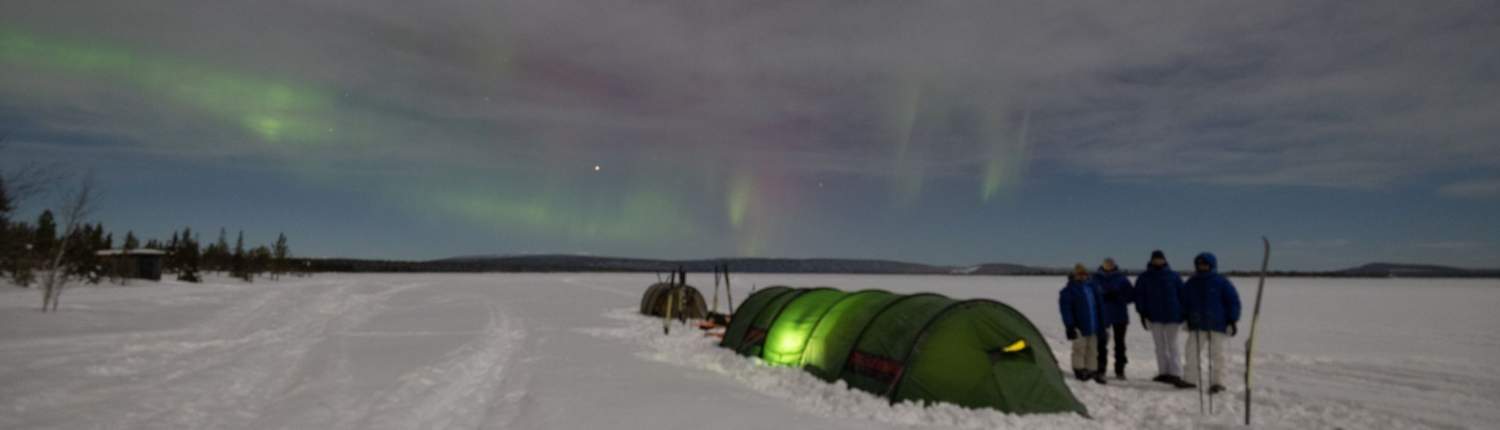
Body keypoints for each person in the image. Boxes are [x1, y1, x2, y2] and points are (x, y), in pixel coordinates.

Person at [1181, 252, 1242, 394]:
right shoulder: (1191, 282)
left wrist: (1232, 320)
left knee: (1218, 354)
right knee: (1191, 352)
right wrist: (1185, 318)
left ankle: (1218, 382)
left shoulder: (1222, 282)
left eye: (1205, 264)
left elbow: (1233, 302)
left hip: (1218, 324)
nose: (1202, 266)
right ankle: (1190, 379)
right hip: (1197, 324)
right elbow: (1184, 302)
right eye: (1199, 264)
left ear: (1211, 265)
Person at [1134, 250, 1194, 389]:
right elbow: (1139, 296)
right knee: (1160, 346)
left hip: (1173, 316)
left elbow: (1183, 295)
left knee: (1173, 346)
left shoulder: (1173, 276)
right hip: (1154, 317)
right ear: (1151, 260)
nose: (1158, 261)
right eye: (1155, 259)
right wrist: (1142, 313)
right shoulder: (1144, 277)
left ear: (1164, 260)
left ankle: (1176, 374)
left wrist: (1185, 313)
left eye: (1160, 259)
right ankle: (1163, 372)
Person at [1059, 263, 1106, 384]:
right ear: (1074, 275)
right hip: (1079, 326)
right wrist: (1070, 326)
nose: (1082, 276)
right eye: (1079, 274)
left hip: (1094, 326)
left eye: (1084, 274)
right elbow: (1066, 310)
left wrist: (1103, 324)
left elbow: (1100, 307)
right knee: (1079, 349)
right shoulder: (1068, 291)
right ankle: (1079, 369)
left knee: (1093, 350)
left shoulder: (1092, 288)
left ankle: (1092, 370)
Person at [1092, 258, 1133, 379]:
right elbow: (1090, 295)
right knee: (1101, 344)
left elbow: (1131, 296)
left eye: (1110, 264)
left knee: (1120, 344)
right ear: (1102, 265)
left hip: (1120, 316)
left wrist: (1118, 296)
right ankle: (1100, 369)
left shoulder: (1122, 279)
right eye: (1106, 264)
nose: (1108, 266)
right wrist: (1102, 297)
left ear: (1114, 265)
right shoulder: (1095, 279)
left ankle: (1120, 370)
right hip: (1103, 316)